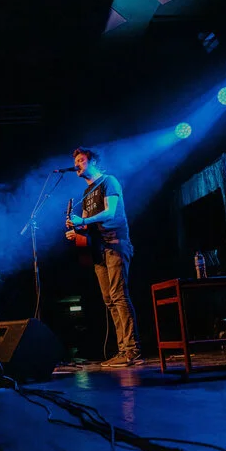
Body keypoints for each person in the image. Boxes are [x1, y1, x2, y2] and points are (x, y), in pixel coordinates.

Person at [65, 147, 142, 367]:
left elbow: (110, 212)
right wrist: (77, 231)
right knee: (109, 300)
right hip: (99, 249)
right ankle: (123, 349)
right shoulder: (86, 194)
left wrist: (82, 221)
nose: (77, 165)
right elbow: (87, 226)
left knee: (119, 295)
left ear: (93, 162)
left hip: (115, 243)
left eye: (81, 160)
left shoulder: (109, 181)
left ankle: (132, 350)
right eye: (76, 162)